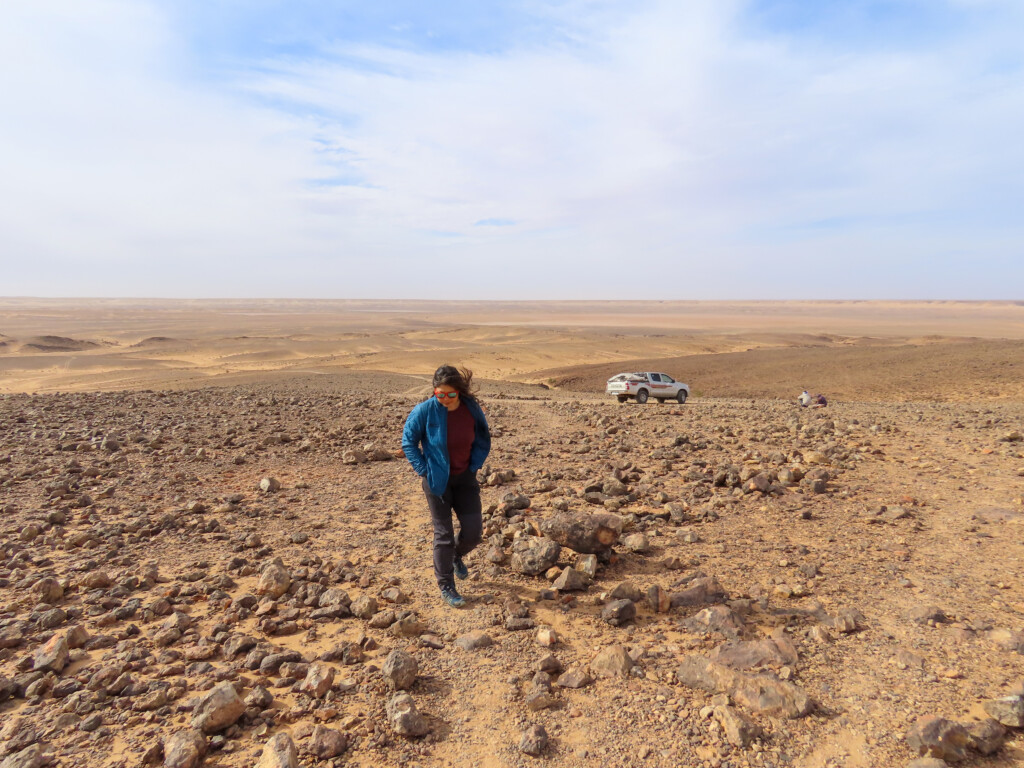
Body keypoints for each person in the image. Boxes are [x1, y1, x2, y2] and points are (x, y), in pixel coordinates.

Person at [402, 365, 491, 608]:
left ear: (459, 392)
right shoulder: (425, 410)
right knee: (443, 535)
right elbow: (408, 441)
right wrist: (423, 470)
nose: (445, 399)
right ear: (434, 391)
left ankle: (456, 556)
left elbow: (483, 437)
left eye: (451, 394)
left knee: (473, 533)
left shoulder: (471, 409)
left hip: (465, 478)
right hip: (436, 481)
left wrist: (475, 464)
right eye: (440, 394)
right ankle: (446, 585)